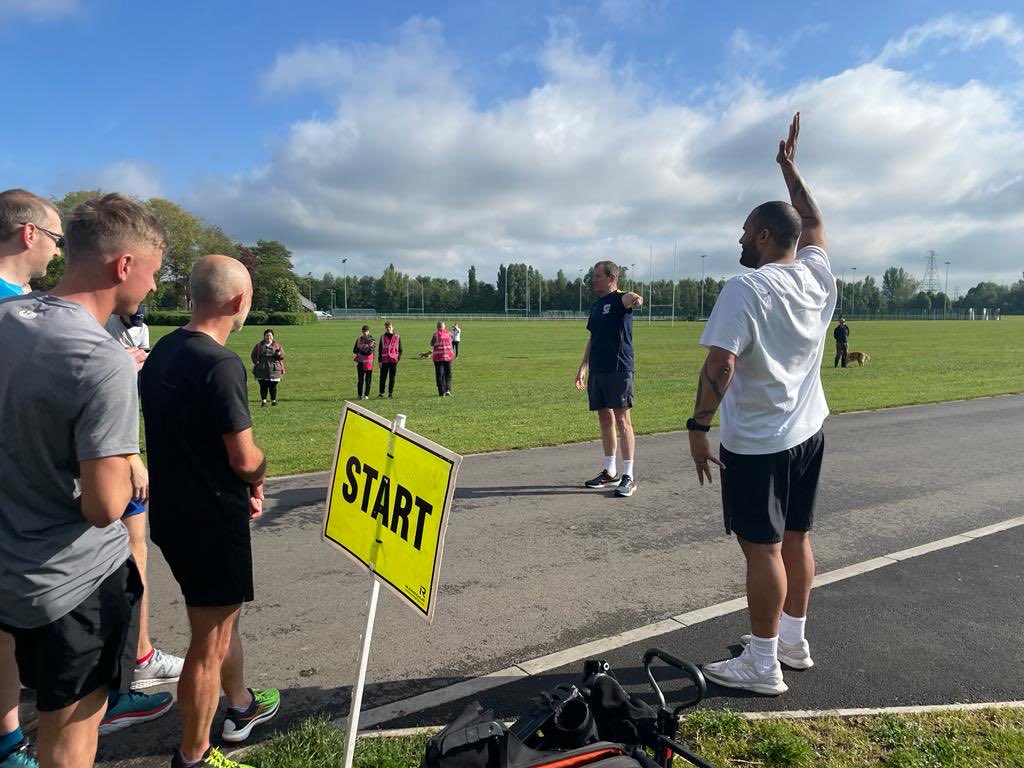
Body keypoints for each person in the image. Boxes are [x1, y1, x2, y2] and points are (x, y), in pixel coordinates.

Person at [0, 193, 173, 768]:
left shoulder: (6, 318)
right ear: (123, 266)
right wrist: (130, 466)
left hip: (8, 566)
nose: (152, 289)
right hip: (71, 583)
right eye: (152, 274)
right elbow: (103, 507)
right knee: (71, 734)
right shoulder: (101, 359)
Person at [687, 113, 836, 696]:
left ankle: (762, 662)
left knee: (763, 548)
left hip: (757, 442)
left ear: (769, 237)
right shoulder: (816, 274)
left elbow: (720, 365)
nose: (741, 240)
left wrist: (698, 425)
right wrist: (789, 169)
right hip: (808, 432)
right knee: (797, 538)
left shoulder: (744, 288)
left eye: (748, 231)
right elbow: (815, 220)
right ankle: (792, 641)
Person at [140, 255, 278, 768]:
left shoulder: (164, 350)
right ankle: (194, 754)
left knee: (220, 619)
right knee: (209, 640)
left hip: (172, 515)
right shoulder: (220, 363)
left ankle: (240, 705)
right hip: (210, 519)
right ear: (239, 302)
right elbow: (244, 457)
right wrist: (259, 475)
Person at [0, 188, 66, 768]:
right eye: (55, 239)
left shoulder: (25, 304)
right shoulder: (14, 314)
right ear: (28, 234)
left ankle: (7, 738)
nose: (56, 253)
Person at [102, 307, 186, 700]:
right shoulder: (84, 316)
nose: (153, 288)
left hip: (122, 447)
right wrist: (130, 455)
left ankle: (139, 655)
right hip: (105, 454)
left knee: (137, 548)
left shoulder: (135, 325)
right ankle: (114, 676)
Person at [574, 262, 644, 497]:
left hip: (619, 369)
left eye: (597, 276)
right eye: (592, 276)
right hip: (598, 370)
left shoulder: (619, 299)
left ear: (611, 277)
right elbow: (593, 339)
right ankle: (610, 471)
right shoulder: (596, 307)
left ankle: (629, 476)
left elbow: (631, 298)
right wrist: (583, 367)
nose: (593, 280)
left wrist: (636, 298)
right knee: (605, 419)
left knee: (623, 420)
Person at [250, 330, 285, 406]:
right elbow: (253, 355)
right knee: (263, 385)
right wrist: (257, 362)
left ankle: (273, 400)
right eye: (267, 335)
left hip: (274, 369)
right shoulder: (259, 346)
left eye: (270, 336)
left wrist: (279, 355)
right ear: (264, 336)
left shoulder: (277, 346)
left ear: (272, 337)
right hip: (262, 369)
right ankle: (264, 401)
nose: (268, 337)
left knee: (273, 386)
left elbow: (282, 356)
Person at [377, 321, 402, 398]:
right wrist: (380, 361)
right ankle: (381, 393)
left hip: (393, 360)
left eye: (390, 327)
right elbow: (380, 350)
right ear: (385, 328)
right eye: (387, 327)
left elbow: (400, 349)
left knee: (392, 378)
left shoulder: (397, 337)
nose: (388, 328)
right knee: (382, 377)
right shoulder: (382, 337)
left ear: (392, 327)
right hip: (384, 360)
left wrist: (398, 358)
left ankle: (390, 393)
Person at [431, 321, 454, 396]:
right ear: (444, 326)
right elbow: (452, 340)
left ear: (437, 327)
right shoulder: (449, 333)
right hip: (448, 356)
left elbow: (431, 343)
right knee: (448, 373)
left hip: (438, 357)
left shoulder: (435, 334)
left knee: (440, 374)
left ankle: (442, 391)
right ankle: (448, 390)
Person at [353, 325, 375, 400]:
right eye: (364, 331)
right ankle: (359, 395)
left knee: (368, 380)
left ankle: (366, 395)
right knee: (360, 380)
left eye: (366, 331)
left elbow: (369, 352)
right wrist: (362, 350)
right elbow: (354, 350)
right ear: (362, 331)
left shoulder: (371, 340)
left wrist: (360, 351)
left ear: (368, 332)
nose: (365, 333)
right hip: (360, 362)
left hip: (368, 363)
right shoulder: (358, 339)